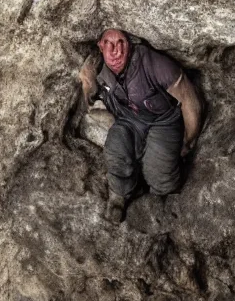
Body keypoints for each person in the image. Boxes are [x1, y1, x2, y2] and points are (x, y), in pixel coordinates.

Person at [78, 29, 203, 223]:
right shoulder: (98, 69)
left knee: (159, 174)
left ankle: (161, 200)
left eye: (121, 43)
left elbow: (188, 97)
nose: (115, 51)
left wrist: (189, 139)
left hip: (163, 121)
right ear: (100, 46)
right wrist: (88, 86)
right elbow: (88, 96)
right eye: (108, 44)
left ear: (130, 45)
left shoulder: (152, 63)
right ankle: (119, 196)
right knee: (116, 147)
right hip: (129, 120)